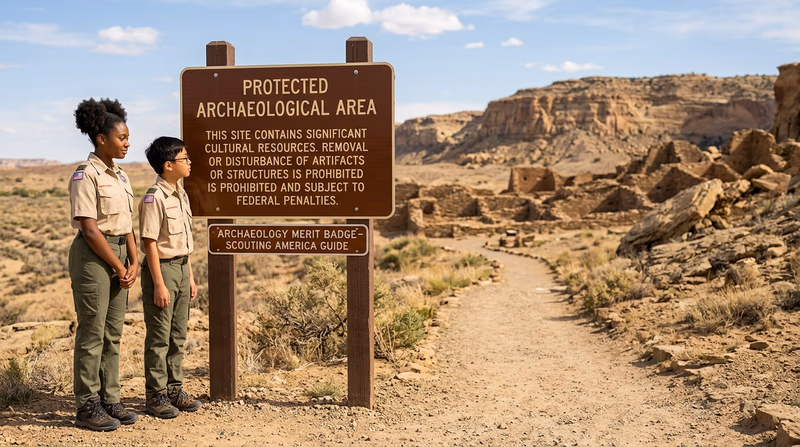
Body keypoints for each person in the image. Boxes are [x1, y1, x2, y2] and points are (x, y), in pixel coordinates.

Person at [69, 98, 138, 431]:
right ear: (101, 138)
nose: (127, 143)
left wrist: (133, 260)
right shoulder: (86, 175)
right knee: (92, 333)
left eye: (127, 138)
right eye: (122, 137)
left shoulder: (121, 176)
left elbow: (127, 224)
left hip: (121, 254)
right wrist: (118, 265)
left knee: (113, 334)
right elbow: (90, 228)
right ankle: (87, 405)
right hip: (94, 257)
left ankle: (110, 398)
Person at [139, 136, 202, 418]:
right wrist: (159, 284)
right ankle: (156, 395)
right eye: (184, 158)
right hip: (162, 270)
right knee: (159, 337)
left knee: (178, 335)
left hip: (181, 268)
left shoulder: (181, 194)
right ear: (168, 165)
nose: (189, 162)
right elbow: (150, 243)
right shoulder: (155, 198)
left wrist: (189, 275)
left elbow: (184, 241)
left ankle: (174, 389)